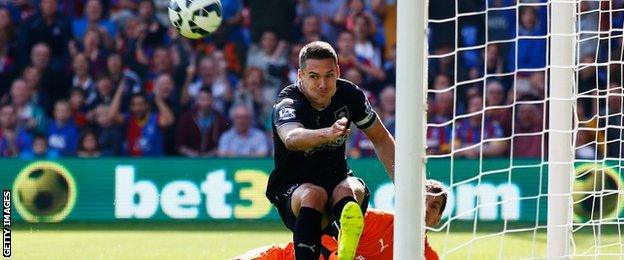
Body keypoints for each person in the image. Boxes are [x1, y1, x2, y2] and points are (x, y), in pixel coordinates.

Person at [267, 41, 395, 260]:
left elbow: (381, 137)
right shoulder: (288, 102)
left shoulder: (350, 94)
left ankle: (346, 252)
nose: (323, 84)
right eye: (314, 76)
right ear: (301, 75)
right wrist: (327, 133)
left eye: (329, 75)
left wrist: (405, 185)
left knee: (349, 189)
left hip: (337, 181)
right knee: (314, 195)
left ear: (338, 71)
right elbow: (291, 138)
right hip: (295, 189)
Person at [236, 179, 447, 260]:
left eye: (434, 206)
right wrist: (337, 256)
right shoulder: (375, 220)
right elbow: (324, 232)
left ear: (438, 218)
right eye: (422, 201)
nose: (425, 209)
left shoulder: (429, 257)